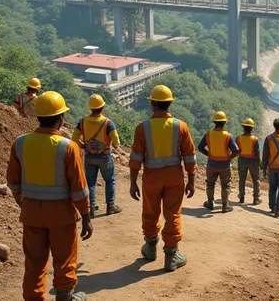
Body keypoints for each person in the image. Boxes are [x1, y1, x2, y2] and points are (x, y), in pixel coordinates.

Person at [6, 91, 92, 301]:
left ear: (38, 117)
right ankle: (64, 297)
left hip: (32, 213)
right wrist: (86, 217)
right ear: (61, 118)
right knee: (64, 260)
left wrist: (21, 202)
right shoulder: (68, 147)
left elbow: (13, 180)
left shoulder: (20, 143)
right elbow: (78, 189)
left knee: (34, 263)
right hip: (61, 215)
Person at [129, 85, 196, 272]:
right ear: (169, 104)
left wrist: (133, 182)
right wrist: (191, 179)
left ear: (153, 104)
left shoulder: (142, 128)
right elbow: (189, 156)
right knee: (172, 214)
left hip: (151, 177)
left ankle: (150, 248)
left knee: (150, 211)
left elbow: (136, 158)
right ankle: (172, 256)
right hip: (174, 176)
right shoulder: (180, 126)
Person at [71, 94, 122, 218]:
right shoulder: (108, 123)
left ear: (90, 108)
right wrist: (115, 145)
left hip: (90, 157)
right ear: (103, 107)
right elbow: (116, 142)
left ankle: (91, 207)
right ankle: (110, 206)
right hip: (104, 157)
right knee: (110, 181)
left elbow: (74, 138)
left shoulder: (82, 122)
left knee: (91, 182)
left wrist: (83, 145)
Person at [198, 111, 238, 213]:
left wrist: (209, 154)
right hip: (224, 165)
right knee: (225, 185)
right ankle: (225, 206)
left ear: (214, 122)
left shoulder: (208, 135)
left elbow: (200, 147)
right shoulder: (228, 136)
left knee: (210, 184)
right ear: (224, 122)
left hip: (211, 164)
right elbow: (236, 150)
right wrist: (229, 157)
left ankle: (210, 203)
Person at [236, 118, 262, 205]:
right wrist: (259, 162)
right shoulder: (255, 139)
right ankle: (256, 199)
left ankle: (241, 197)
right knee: (255, 180)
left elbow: (236, 150)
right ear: (252, 128)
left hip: (242, 160)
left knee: (242, 179)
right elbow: (257, 152)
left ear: (243, 127)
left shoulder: (238, 138)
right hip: (252, 161)